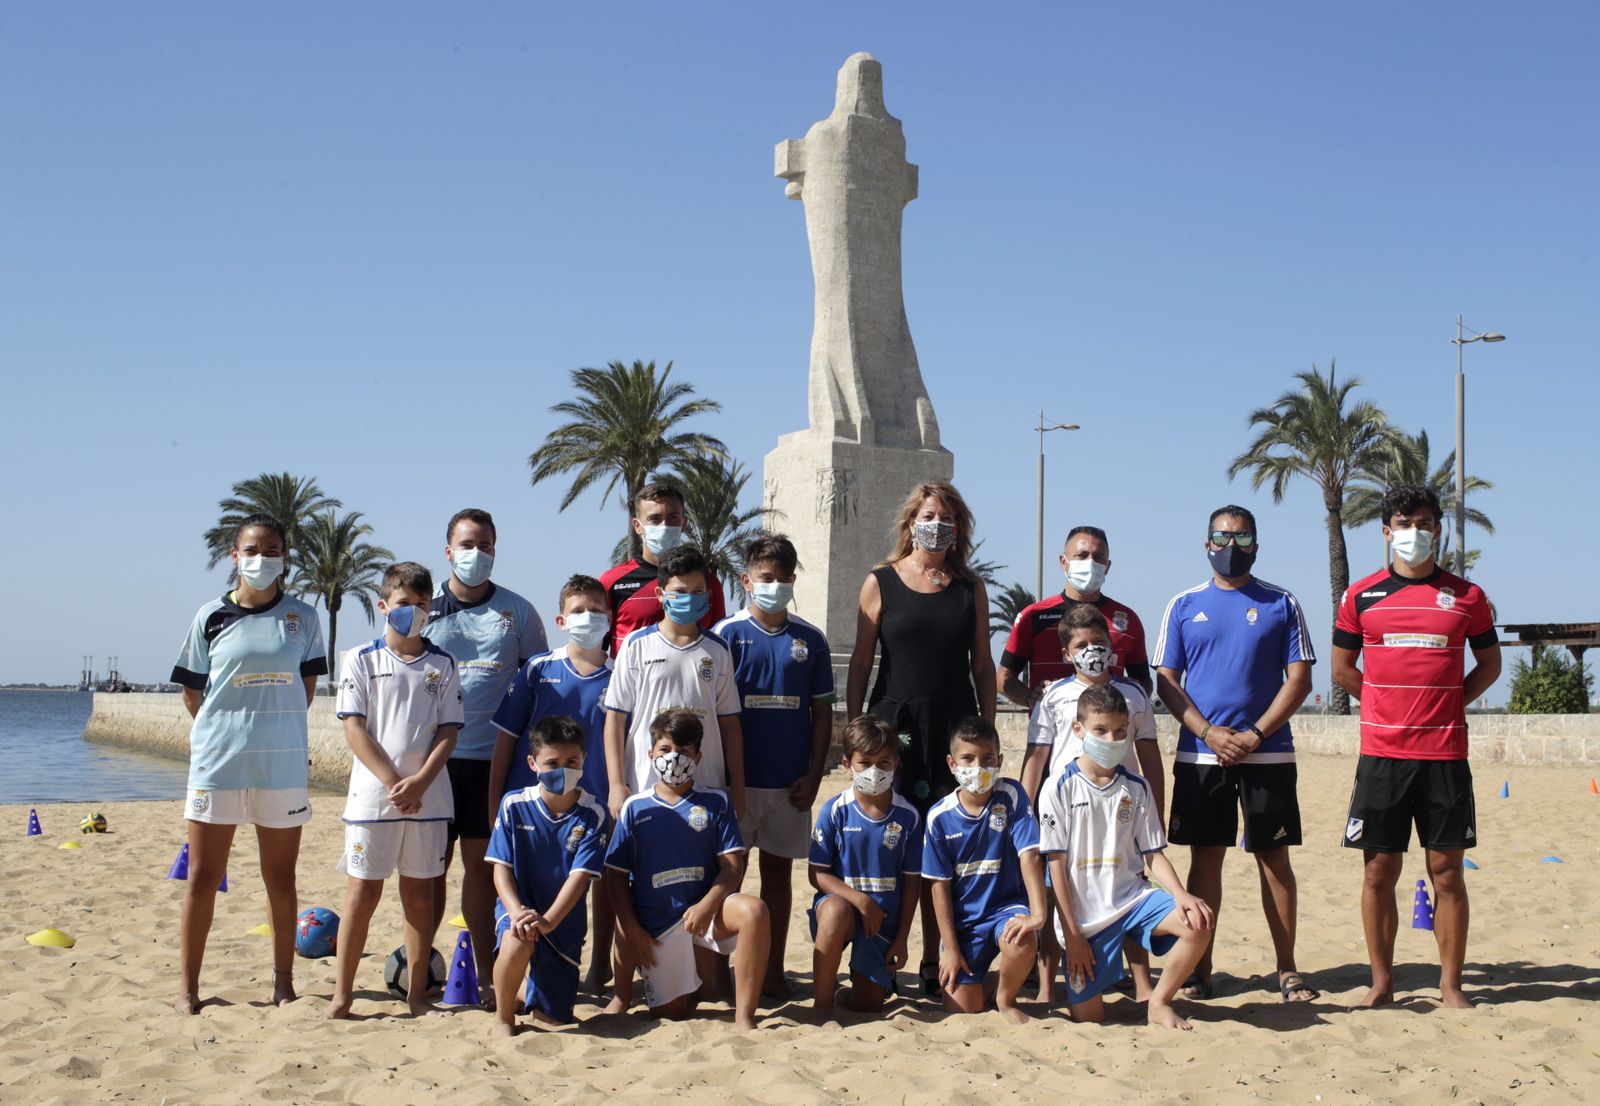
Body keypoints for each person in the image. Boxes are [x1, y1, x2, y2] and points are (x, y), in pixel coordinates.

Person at [1331, 484, 1500, 1010]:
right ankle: (1382, 983)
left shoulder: (1468, 597)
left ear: (1438, 529)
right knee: (1379, 870)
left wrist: (1449, 702)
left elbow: (1489, 666)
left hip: (1445, 757)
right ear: (1386, 532)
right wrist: (1384, 705)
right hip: (1382, 755)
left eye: (1424, 523)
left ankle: (1451, 985)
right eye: (1404, 525)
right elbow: (1341, 670)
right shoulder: (1360, 597)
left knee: (1446, 871)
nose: (1415, 534)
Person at [1152, 505, 1317, 1002]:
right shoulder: (1183, 605)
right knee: (1207, 860)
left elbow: (1300, 680)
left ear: (1257, 546)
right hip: (1202, 757)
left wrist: (1257, 735)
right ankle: (1201, 969)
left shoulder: (1281, 603)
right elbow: (1167, 682)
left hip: (1268, 754)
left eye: (1243, 539)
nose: (1232, 548)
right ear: (1207, 544)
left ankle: (1286, 970)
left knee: (1274, 858)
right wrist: (1207, 732)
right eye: (1223, 538)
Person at [171, 513, 327, 1014]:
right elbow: (193, 693)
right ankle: (188, 990)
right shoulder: (209, 617)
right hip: (217, 766)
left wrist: (272, 729)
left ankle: (284, 982)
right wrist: (224, 731)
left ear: (285, 557)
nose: (263, 559)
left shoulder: (304, 618)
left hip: (280, 771)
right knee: (202, 877)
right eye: (252, 550)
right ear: (235, 556)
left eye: (273, 550)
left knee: (280, 879)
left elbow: (305, 689)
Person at [846, 481, 995, 995]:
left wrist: (987, 728)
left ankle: (937, 961)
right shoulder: (880, 581)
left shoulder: (970, 588)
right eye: (929, 514)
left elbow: (982, 663)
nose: (937, 523)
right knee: (892, 842)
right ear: (911, 521)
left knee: (944, 844)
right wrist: (854, 726)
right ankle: (881, 957)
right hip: (895, 729)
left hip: (953, 726)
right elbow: (862, 661)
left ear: (959, 528)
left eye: (948, 516)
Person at [1037, 684, 1216, 1030]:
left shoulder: (1136, 787)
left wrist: (1181, 894)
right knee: (1089, 1018)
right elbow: (1055, 866)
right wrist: (1072, 936)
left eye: (1120, 732)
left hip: (1132, 900)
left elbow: (1154, 853)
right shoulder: (1058, 785)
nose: (1111, 739)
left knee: (1198, 922)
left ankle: (1159, 1002)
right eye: (1100, 730)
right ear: (1079, 730)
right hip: (1085, 921)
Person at [421, 508, 548, 997]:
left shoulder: (518, 612)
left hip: (490, 765)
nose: (477, 554)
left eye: (486, 545)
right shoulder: (425, 608)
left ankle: (486, 975)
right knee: (429, 871)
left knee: (480, 872)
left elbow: (536, 687)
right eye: (467, 545)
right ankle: (421, 963)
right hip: (433, 763)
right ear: (448, 551)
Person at [329, 562, 464, 1018]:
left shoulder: (443, 663)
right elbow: (354, 727)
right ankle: (342, 996)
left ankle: (417, 994)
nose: (414, 612)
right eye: (404, 604)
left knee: (420, 895)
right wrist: (392, 782)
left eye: (422, 605)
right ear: (384, 606)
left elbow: (449, 730)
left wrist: (421, 780)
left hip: (428, 799)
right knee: (360, 895)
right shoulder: (361, 658)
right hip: (372, 801)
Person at [1019, 604, 1164, 1002]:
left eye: (1099, 642)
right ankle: (1048, 988)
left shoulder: (1134, 694)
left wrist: (1158, 812)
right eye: (1081, 644)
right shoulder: (1053, 697)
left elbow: (1150, 757)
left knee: (1131, 887)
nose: (1092, 650)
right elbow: (1036, 758)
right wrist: (1023, 812)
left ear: (1112, 645)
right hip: (1065, 811)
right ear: (1067, 653)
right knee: (1053, 895)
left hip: (1121, 808)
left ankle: (1142, 984)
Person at [713, 534, 834, 998]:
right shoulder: (727, 635)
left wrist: (814, 772)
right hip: (737, 784)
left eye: (784, 579)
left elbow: (822, 713)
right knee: (730, 877)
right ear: (747, 581)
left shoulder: (810, 640)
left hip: (790, 784)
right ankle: (724, 973)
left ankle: (772, 970)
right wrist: (726, 781)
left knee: (779, 879)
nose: (776, 586)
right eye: (766, 578)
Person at [602, 709, 771, 1031]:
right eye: (665, 750)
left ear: (698, 756)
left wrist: (707, 905)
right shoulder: (635, 808)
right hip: (658, 924)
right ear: (651, 754)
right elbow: (615, 876)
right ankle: (624, 994)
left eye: (684, 751)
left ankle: (745, 1016)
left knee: (754, 911)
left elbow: (732, 867)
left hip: (706, 914)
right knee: (672, 1014)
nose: (674, 758)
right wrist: (633, 928)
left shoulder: (716, 801)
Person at [489, 573, 616, 991]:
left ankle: (600, 967)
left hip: (596, 806)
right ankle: (513, 972)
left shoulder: (621, 675)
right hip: (536, 807)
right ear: (561, 620)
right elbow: (507, 738)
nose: (587, 618)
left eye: (596, 610)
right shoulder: (537, 669)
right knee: (525, 880)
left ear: (610, 617)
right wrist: (495, 802)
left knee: (599, 883)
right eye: (578, 611)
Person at [486, 715, 610, 1034]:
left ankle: (523, 988)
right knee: (517, 942)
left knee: (553, 1020)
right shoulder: (514, 805)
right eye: (552, 762)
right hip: (519, 908)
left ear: (584, 759)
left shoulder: (593, 814)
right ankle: (503, 1017)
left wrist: (549, 921)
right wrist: (517, 913)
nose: (563, 770)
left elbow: (579, 878)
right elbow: (501, 870)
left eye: (572, 761)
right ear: (533, 763)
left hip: (563, 921)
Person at [603, 544, 745, 821]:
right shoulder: (636, 645)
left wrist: (737, 788)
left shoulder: (718, 649)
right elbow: (615, 720)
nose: (689, 599)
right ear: (660, 594)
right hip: (644, 782)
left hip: (705, 784)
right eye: (679, 592)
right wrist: (616, 784)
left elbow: (729, 723)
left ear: (707, 595)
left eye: (697, 592)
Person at [921, 717, 1046, 1024]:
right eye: (968, 758)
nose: (978, 767)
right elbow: (939, 887)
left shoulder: (1012, 795)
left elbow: (1029, 856)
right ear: (952, 764)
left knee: (1022, 939)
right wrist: (949, 949)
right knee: (963, 1008)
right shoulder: (939, 817)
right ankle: (985, 983)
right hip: (966, 924)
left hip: (1006, 909)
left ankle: (1005, 999)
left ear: (999, 760)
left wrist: (1038, 914)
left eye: (987, 758)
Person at [808, 715, 923, 1022]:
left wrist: (902, 938)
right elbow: (816, 873)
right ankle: (821, 1005)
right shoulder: (834, 810)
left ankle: (845, 991)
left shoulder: (908, 817)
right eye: (865, 762)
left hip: (882, 924)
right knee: (835, 912)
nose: (875, 770)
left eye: (884, 762)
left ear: (896, 763)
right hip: (842, 911)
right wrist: (859, 900)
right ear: (848, 764)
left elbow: (912, 884)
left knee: (869, 1006)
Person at [999, 525, 1151, 708]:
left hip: (1108, 734)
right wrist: (1031, 698)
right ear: (1063, 562)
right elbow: (1003, 679)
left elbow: (1144, 682)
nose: (1090, 562)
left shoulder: (1128, 620)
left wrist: (1127, 706)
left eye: (1098, 557)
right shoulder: (1034, 616)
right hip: (1050, 734)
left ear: (1107, 567)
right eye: (1082, 555)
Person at [600, 481, 727, 655]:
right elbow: (596, 649)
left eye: (673, 517)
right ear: (637, 526)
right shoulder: (612, 582)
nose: (664, 525)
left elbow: (717, 644)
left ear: (684, 524)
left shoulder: (708, 584)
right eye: (654, 519)